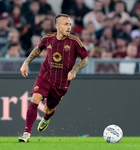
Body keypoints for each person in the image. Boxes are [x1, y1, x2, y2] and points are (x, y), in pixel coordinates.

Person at [18, 14, 88, 142]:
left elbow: (85, 59)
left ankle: (46, 117)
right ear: (57, 26)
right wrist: (26, 62)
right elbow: (38, 49)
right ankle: (26, 134)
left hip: (62, 81)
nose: (69, 27)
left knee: (49, 108)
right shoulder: (48, 38)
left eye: (70, 25)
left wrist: (74, 70)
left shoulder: (74, 41)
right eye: (66, 24)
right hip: (46, 74)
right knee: (35, 98)